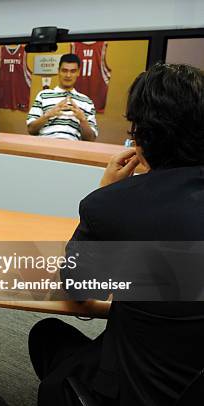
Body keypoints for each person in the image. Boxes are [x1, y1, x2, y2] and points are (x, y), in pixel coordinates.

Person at [29, 63, 204, 405]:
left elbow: (78, 290)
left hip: (138, 387)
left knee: (46, 335)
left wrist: (105, 191)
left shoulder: (116, 206)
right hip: (192, 378)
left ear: (141, 136)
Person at [26, 53, 98, 141]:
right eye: (64, 70)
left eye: (73, 71)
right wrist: (47, 116)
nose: (68, 75)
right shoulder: (43, 95)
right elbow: (31, 130)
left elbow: (91, 139)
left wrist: (82, 120)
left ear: (78, 72)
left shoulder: (87, 102)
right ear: (58, 71)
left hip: (72, 150)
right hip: (45, 146)